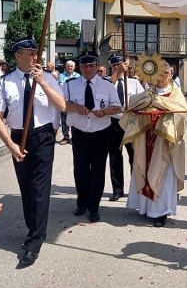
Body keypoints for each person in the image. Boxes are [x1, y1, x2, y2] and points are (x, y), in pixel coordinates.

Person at [0, 38, 63, 268]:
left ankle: (34, 241)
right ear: (17, 55)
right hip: (18, 138)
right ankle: (34, 227)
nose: (34, 57)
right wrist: (10, 144)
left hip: (43, 136)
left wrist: (44, 84)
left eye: (35, 52)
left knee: (40, 188)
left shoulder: (47, 77)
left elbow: (62, 105)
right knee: (26, 187)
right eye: (29, 53)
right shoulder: (6, 82)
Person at [122, 60, 187, 227]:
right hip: (146, 138)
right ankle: (144, 208)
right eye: (157, 74)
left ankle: (160, 212)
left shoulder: (176, 93)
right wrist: (147, 102)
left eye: (163, 74)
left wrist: (160, 103)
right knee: (142, 168)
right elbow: (131, 106)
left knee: (163, 177)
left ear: (170, 74)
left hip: (164, 141)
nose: (160, 78)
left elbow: (182, 113)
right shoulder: (148, 92)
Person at [62, 55, 121, 223]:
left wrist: (106, 111)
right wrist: (76, 107)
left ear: (97, 66)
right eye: (84, 66)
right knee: (80, 170)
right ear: (80, 67)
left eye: (91, 65)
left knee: (97, 171)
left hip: (101, 132)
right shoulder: (70, 85)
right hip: (80, 132)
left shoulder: (107, 85)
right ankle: (82, 202)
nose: (87, 69)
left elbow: (118, 107)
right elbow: (62, 104)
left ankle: (94, 207)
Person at [107, 55, 145, 201]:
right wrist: (117, 74)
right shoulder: (108, 82)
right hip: (113, 122)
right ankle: (117, 189)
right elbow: (106, 86)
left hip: (130, 122)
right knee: (115, 157)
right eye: (114, 65)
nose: (118, 67)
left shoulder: (134, 83)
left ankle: (135, 188)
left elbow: (143, 99)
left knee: (134, 156)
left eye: (120, 65)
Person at [57, 60, 80, 145]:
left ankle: (74, 137)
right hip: (64, 100)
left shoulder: (78, 76)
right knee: (64, 120)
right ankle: (66, 137)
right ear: (66, 67)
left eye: (71, 66)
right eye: (68, 66)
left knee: (75, 119)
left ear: (74, 67)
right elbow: (60, 86)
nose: (70, 68)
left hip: (75, 101)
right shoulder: (61, 76)